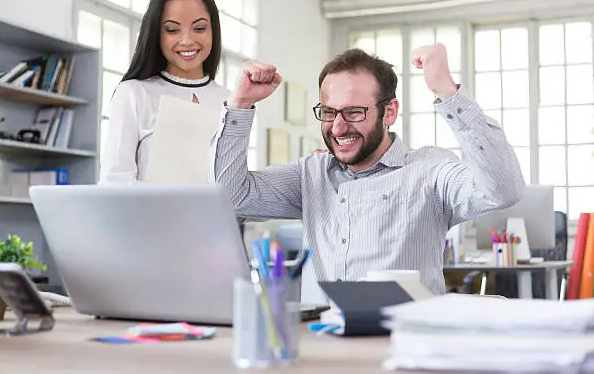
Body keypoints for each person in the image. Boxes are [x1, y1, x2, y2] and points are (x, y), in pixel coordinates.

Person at [211, 44, 526, 303]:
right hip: (321, 352)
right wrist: (240, 105)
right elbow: (231, 197)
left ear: (389, 112)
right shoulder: (310, 174)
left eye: (353, 112)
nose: (337, 127)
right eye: (329, 112)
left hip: (402, 350)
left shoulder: (429, 171)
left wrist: (447, 91)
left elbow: (503, 190)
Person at [99, 0, 229, 184]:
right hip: (149, 216)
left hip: (212, 217)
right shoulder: (134, 93)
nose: (187, 40)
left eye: (199, 28)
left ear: (213, 30)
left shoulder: (229, 100)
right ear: (156, 33)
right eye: (172, 30)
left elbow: (236, 188)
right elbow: (114, 182)